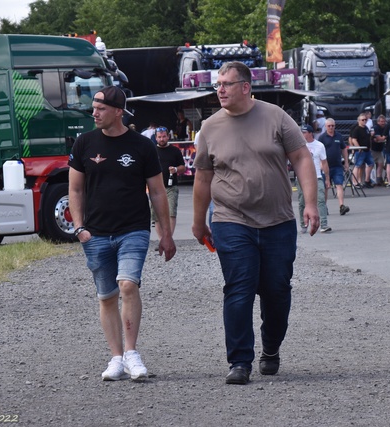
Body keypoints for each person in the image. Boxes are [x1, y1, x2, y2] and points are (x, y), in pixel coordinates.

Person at [191, 61, 319, 385]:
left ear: (245, 87)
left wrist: (312, 203)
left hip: (278, 221)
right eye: (217, 84)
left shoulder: (275, 116)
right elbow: (203, 177)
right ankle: (239, 362)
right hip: (231, 219)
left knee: (277, 290)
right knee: (239, 288)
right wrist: (197, 222)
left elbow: (302, 157)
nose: (219, 89)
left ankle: (271, 348)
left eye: (226, 84)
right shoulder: (210, 127)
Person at [68, 86, 176, 382]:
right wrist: (79, 228)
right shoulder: (84, 144)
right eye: (94, 107)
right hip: (95, 233)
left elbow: (157, 191)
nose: (94, 113)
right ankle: (116, 358)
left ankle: (131, 353)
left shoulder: (142, 146)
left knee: (128, 285)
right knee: (106, 296)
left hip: (134, 230)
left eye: (100, 108)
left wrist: (165, 233)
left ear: (118, 111)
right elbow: (75, 189)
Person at [151, 127, 186, 240]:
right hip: (155, 187)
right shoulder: (151, 151)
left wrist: (175, 169)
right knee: (157, 215)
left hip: (171, 187)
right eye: (159, 137)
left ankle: (168, 238)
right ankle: (162, 240)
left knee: (171, 212)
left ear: (168, 137)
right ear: (156, 138)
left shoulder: (175, 151)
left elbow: (183, 167)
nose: (162, 139)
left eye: (164, 136)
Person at [297, 124, 331, 233]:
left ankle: (324, 224)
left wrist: (327, 178)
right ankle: (304, 224)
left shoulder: (319, 146)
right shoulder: (298, 145)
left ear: (311, 133)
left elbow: (324, 163)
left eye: (304, 132)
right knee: (302, 201)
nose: (302, 134)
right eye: (301, 132)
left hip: (317, 176)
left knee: (320, 200)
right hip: (302, 177)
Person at [318, 118, 350, 215]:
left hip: (337, 166)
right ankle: (324, 207)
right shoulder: (322, 137)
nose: (331, 127)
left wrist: (346, 162)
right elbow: (319, 151)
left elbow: (344, 149)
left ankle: (341, 206)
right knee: (326, 187)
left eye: (332, 125)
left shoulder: (339, 136)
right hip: (326, 166)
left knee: (339, 185)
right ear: (325, 126)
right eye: (329, 126)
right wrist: (320, 164)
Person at [349, 113, 374, 188]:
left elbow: (368, 138)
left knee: (371, 164)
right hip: (360, 151)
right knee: (357, 165)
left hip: (367, 150)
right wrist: (358, 148)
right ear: (359, 121)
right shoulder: (357, 129)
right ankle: (355, 182)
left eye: (365, 119)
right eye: (362, 120)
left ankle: (366, 180)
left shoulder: (366, 128)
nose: (364, 121)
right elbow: (353, 139)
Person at [371, 115, 387, 186]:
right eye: (381, 121)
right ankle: (369, 179)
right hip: (373, 149)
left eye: (384, 121)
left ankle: (379, 179)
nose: (383, 123)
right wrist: (384, 137)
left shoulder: (385, 127)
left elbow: (379, 139)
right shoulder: (375, 127)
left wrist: (380, 139)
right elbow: (380, 138)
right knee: (370, 165)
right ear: (378, 122)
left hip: (380, 150)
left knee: (381, 163)